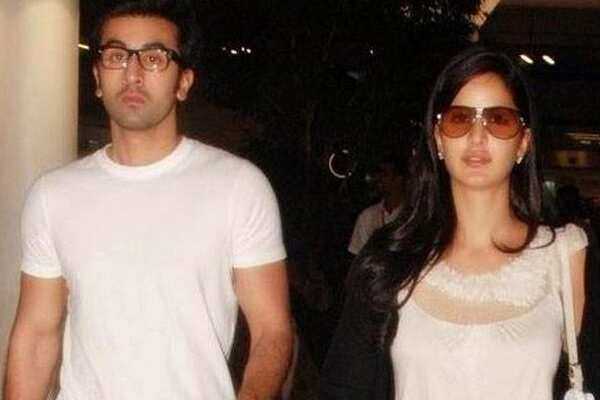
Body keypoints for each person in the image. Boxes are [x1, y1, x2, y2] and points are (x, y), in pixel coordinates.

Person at [4, 2, 293, 399]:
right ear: (97, 77)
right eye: (117, 56)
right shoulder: (53, 196)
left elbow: (272, 332)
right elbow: (37, 335)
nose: (133, 73)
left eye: (154, 58)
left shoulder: (238, 187)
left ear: (183, 82)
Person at [320, 47, 598, 400]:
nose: (477, 136)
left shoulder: (566, 257)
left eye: (499, 119)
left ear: (523, 143)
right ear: (438, 137)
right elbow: (345, 389)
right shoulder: (390, 262)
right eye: (459, 119)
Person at [348, 157, 405, 255]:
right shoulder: (367, 217)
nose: (379, 179)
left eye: (385, 175)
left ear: (398, 179)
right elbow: (357, 255)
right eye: (378, 174)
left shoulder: (413, 215)